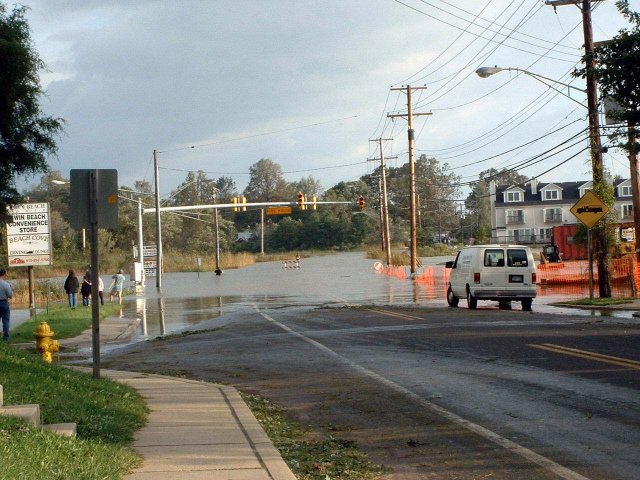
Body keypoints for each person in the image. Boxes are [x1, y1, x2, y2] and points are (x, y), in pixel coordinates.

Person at [0, 269, 13, 342]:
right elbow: (10, 295)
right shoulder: (6, 284)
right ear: (4, 274)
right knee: (5, 321)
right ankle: (6, 338)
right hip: (4, 303)